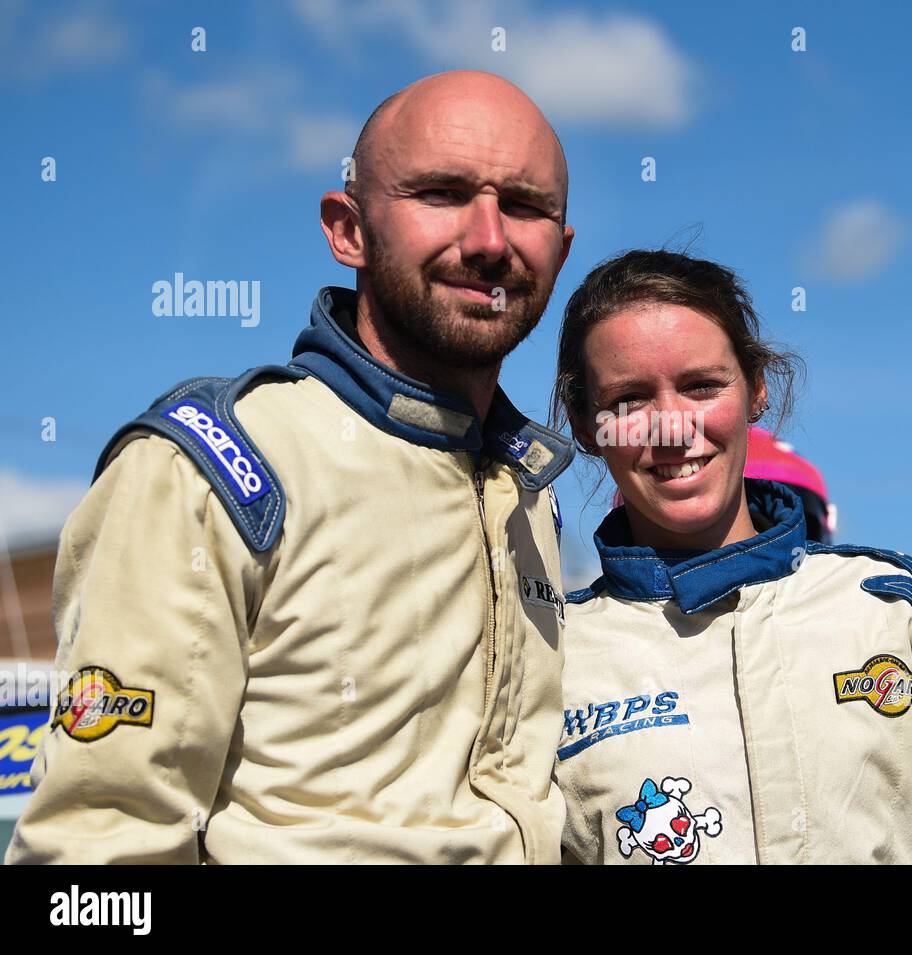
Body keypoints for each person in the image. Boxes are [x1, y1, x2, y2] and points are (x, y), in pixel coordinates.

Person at [7, 70, 577, 864]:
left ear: (562, 245)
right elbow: (96, 855)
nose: (488, 239)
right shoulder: (211, 465)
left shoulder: (527, 492)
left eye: (523, 205)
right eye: (441, 194)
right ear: (347, 230)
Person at [550, 249, 912, 864]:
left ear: (756, 391)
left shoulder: (909, 614)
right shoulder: (549, 657)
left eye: (701, 386)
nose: (672, 427)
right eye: (630, 399)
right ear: (584, 424)